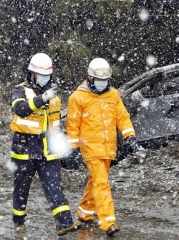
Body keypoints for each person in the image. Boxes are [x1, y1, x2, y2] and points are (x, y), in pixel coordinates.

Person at [66, 58, 142, 237]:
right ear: (90, 78)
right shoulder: (77, 98)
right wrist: (73, 149)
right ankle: (108, 221)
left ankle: (84, 213)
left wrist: (130, 136)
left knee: (96, 181)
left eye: (105, 81)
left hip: (108, 148)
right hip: (90, 148)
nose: (102, 84)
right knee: (102, 184)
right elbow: (72, 125)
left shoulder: (113, 95)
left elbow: (122, 117)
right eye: (99, 80)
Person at [10, 53, 82, 236]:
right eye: (41, 75)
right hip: (24, 149)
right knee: (21, 190)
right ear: (32, 74)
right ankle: (19, 222)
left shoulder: (55, 97)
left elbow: (56, 126)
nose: (45, 78)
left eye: (47, 75)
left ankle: (65, 223)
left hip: (48, 151)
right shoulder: (20, 90)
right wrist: (41, 99)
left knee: (54, 187)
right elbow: (20, 109)